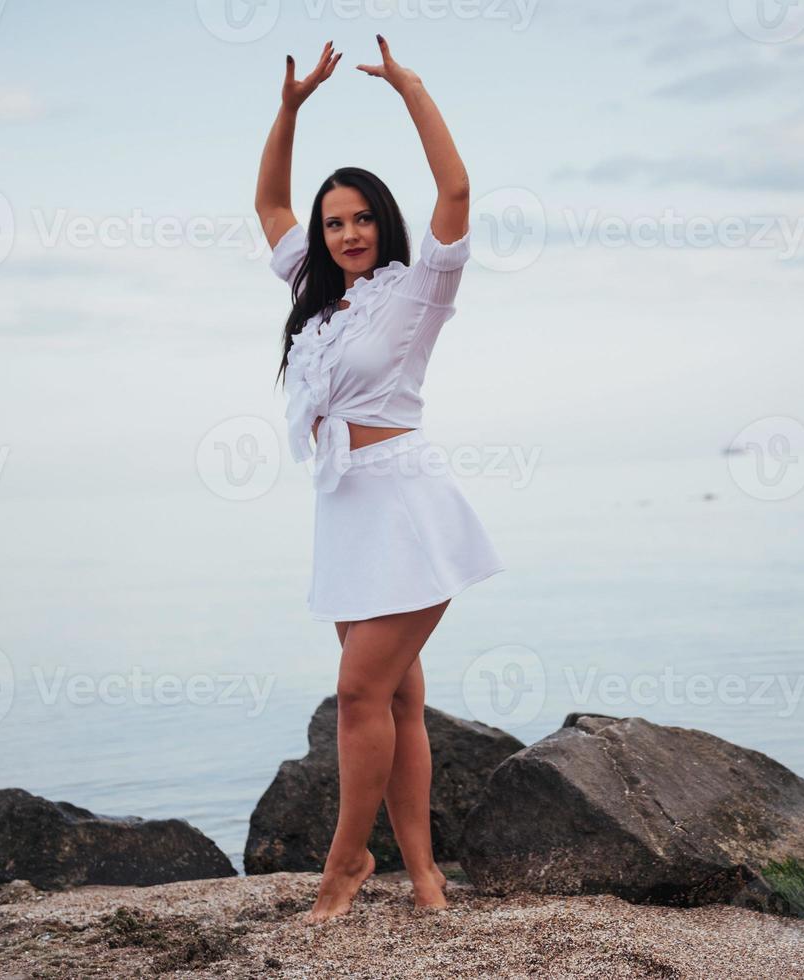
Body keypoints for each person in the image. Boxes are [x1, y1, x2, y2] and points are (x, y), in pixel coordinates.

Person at [253, 35, 506, 921]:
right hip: (344, 508)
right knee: (398, 700)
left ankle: (346, 864)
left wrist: (410, 88)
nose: (347, 232)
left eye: (360, 217)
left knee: (358, 693)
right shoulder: (318, 297)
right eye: (335, 222)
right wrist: (291, 109)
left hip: (406, 503)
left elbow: (458, 192)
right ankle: (427, 879)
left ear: (382, 222)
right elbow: (269, 201)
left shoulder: (417, 288)